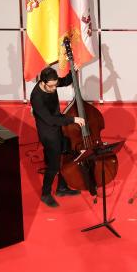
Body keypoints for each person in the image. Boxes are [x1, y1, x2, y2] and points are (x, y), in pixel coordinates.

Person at [30, 67, 85, 208]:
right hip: (48, 132)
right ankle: (45, 193)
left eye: (55, 84)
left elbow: (66, 81)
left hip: (58, 125)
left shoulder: (51, 82)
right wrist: (72, 120)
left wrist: (74, 69)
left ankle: (61, 188)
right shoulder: (36, 97)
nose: (55, 88)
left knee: (65, 155)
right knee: (53, 165)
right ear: (42, 82)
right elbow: (49, 120)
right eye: (51, 86)